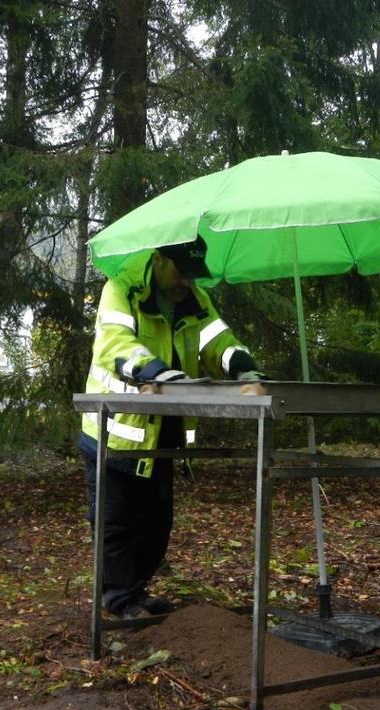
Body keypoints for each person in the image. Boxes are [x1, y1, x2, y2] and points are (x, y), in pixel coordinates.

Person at [78, 236, 264, 619]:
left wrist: (243, 366)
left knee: (156, 523)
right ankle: (119, 601)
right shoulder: (122, 288)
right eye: (182, 274)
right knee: (116, 522)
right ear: (160, 259)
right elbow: (115, 343)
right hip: (114, 429)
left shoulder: (192, 296)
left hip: (162, 430)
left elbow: (218, 340)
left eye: (194, 277)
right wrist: (156, 372)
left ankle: (137, 591)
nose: (188, 284)